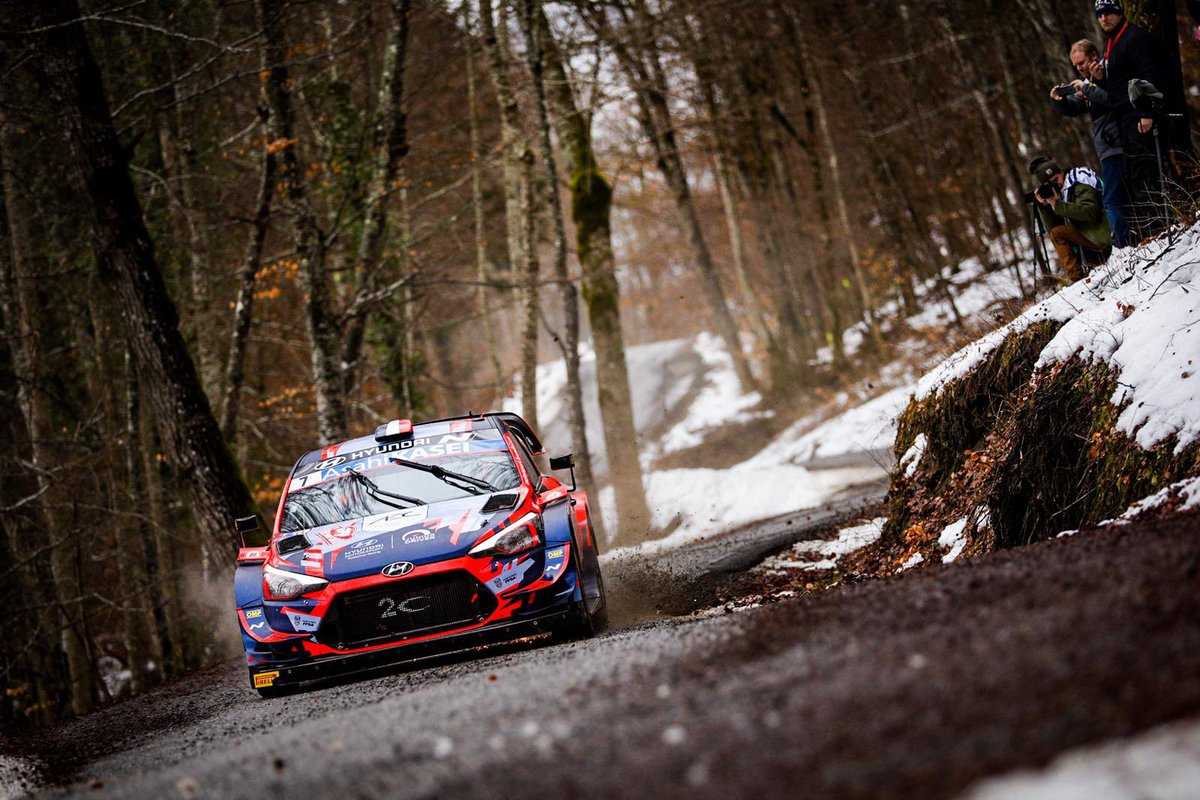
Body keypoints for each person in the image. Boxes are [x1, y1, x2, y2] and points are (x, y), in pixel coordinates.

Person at [1093, 0, 1169, 232]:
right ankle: (1153, 226)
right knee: (1137, 173)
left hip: (1139, 116)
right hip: (1124, 119)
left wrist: (1147, 112)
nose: (1104, 18)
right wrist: (1101, 79)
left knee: (1148, 169)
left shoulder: (1134, 38)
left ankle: (1163, 223)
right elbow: (1117, 84)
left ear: (1119, 12)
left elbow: (1149, 75)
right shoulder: (1112, 42)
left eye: (1108, 13)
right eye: (1100, 15)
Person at [1050, 39, 1129, 247]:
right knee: (1121, 194)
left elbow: (1113, 99)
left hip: (1117, 144)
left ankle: (1122, 245)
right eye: (1075, 65)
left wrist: (1087, 88)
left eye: (1081, 62)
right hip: (1107, 146)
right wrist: (1060, 102)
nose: (1079, 68)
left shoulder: (1106, 74)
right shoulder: (1089, 82)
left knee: (1111, 198)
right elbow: (1075, 108)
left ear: (1094, 56)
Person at [1028, 156, 1110, 283]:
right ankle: (1078, 275)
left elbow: (1090, 213)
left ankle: (1077, 277)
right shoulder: (1061, 190)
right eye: (1051, 183)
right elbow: (1053, 228)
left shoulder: (1077, 181)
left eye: (1056, 179)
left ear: (1061, 172)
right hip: (1093, 234)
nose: (1056, 184)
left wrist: (1058, 205)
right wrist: (1045, 205)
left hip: (1105, 232)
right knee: (1057, 233)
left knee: (1058, 233)